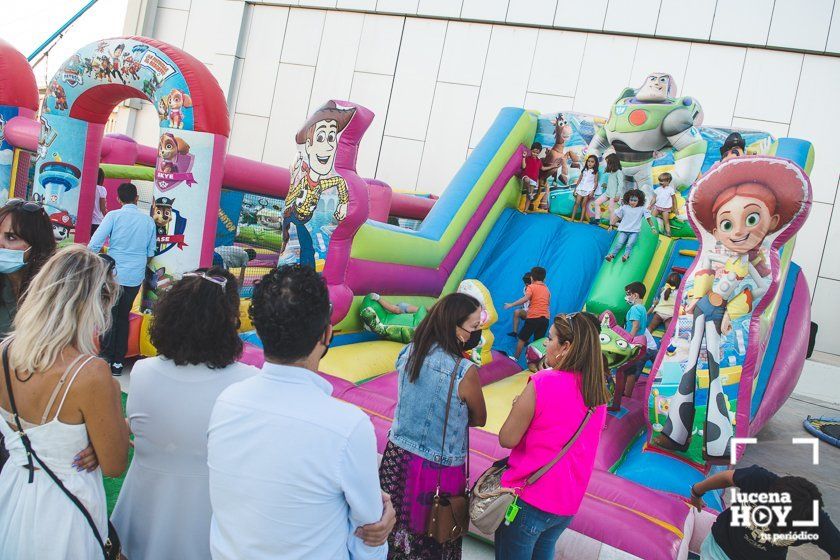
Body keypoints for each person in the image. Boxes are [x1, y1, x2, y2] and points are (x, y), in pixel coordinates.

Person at [208, 265, 395, 559]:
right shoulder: (347, 426)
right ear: (327, 334)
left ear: (258, 329)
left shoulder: (227, 401)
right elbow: (369, 530)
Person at [111, 267, 257, 560]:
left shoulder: (143, 372)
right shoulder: (247, 382)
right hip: (205, 520)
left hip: (140, 509)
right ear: (230, 320)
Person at [0, 245, 129, 559]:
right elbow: (115, 464)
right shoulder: (91, 374)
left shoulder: (5, 352)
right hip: (66, 507)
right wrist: (118, 428)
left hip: (14, 488)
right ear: (92, 306)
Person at [379, 292, 487, 559]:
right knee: (434, 532)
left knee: (392, 526)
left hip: (398, 457)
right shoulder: (463, 371)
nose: (476, 333)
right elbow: (480, 418)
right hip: (439, 468)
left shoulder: (410, 352)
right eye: (473, 327)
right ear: (455, 327)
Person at [495, 312, 610, 559]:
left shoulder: (543, 381)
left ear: (566, 347)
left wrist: (519, 409)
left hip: (530, 497)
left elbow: (507, 438)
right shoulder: (598, 394)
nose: (546, 344)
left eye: (550, 338)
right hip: (567, 503)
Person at [0, 199, 56, 472]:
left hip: (32, 424)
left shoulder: (54, 299)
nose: (1, 245)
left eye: (11, 238)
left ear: (36, 245)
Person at [690, 465, 840, 559]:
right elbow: (726, 477)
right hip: (721, 547)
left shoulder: (814, 521)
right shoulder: (759, 480)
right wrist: (697, 491)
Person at [88, 182, 157, 376]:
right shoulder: (148, 221)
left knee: (109, 314)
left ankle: (104, 357)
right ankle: (118, 362)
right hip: (135, 275)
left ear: (118, 199)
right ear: (137, 198)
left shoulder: (113, 216)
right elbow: (151, 251)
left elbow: (95, 243)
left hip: (113, 273)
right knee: (123, 316)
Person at [504, 266, 551, 361]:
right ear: (544, 279)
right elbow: (548, 302)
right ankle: (538, 362)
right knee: (538, 342)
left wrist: (511, 304)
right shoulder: (547, 289)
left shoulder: (531, 287)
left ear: (531, 278)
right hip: (545, 319)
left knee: (522, 339)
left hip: (534, 318)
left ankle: (515, 358)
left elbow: (525, 299)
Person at [606, 189, 657, 262]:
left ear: (639, 201)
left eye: (635, 200)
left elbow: (648, 218)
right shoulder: (624, 207)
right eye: (631, 200)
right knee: (619, 243)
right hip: (624, 230)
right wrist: (611, 225)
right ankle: (611, 255)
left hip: (634, 231)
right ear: (628, 199)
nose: (632, 202)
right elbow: (617, 217)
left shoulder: (642, 209)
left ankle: (626, 255)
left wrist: (653, 227)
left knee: (630, 244)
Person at [571, 154, 599, 223]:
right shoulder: (584, 170)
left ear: (595, 164)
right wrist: (575, 189)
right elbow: (579, 180)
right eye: (588, 161)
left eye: (592, 162)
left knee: (583, 204)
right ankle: (572, 218)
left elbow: (596, 182)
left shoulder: (595, 172)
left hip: (588, 190)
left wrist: (592, 191)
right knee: (576, 203)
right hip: (580, 188)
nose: (590, 163)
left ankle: (581, 220)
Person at [601, 153, 625, 227]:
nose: (607, 164)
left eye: (608, 163)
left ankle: (615, 224)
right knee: (610, 211)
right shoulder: (612, 172)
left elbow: (621, 185)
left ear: (612, 163)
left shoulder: (619, 172)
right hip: (611, 194)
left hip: (616, 196)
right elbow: (614, 184)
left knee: (612, 211)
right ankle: (613, 223)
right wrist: (606, 186)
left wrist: (618, 195)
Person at [507, 272, 532, 337]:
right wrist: (522, 306)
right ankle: (515, 332)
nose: (526, 285)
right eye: (525, 283)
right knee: (516, 312)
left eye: (528, 283)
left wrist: (512, 304)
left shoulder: (534, 289)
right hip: (526, 309)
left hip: (532, 311)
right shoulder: (525, 288)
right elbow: (524, 299)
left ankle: (525, 337)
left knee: (529, 318)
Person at [650, 172, 675, 237]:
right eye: (660, 181)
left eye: (662, 181)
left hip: (666, 209)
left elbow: (674, 199)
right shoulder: (658, 189)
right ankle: (650, 231)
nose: (660, 183)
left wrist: (675, 208)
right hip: (657, 207)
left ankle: (668, 234)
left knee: (666, 221)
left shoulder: (671, 190)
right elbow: (654, 198)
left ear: (668, 181)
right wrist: (650, 205)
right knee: (651, 218)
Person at [521, 143, 543, 211]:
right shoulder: (528, 158)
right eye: (533, 152)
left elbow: (543, 168)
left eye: (537, 153)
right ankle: (529, 192)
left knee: (528, 197)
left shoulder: (539, 161)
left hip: (534, 179)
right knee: (527, 180)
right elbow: (523, 167)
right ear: (531, 150)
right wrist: (524, 157)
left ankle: (525, 210)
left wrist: (553, 166)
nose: (535, 154)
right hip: (526, 176)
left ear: (539, 153)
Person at [91, 168, 108, 236]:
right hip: (97, 221)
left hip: (88, 220)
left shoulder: (88, 187)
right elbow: (102, 208)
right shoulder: (101, 189)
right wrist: (107, 216)